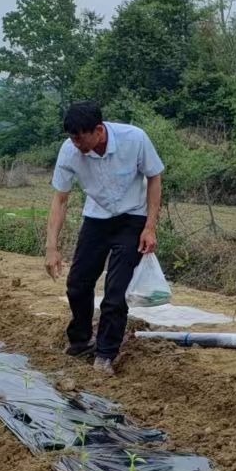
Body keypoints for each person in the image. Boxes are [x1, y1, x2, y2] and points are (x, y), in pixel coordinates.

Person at [44, 101, 164, 377]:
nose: (75, 144)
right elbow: (60, 200)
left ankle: (106, 353)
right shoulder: (69, 151)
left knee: (115, 293)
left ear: (98, 130)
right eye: (72, 138)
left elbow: (154, 177)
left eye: (80, 138)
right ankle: (81, 341)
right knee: (77, 284)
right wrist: (51, 247)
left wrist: (150, 227)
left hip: (132, 219)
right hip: (96, 218)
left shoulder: (134, 139)